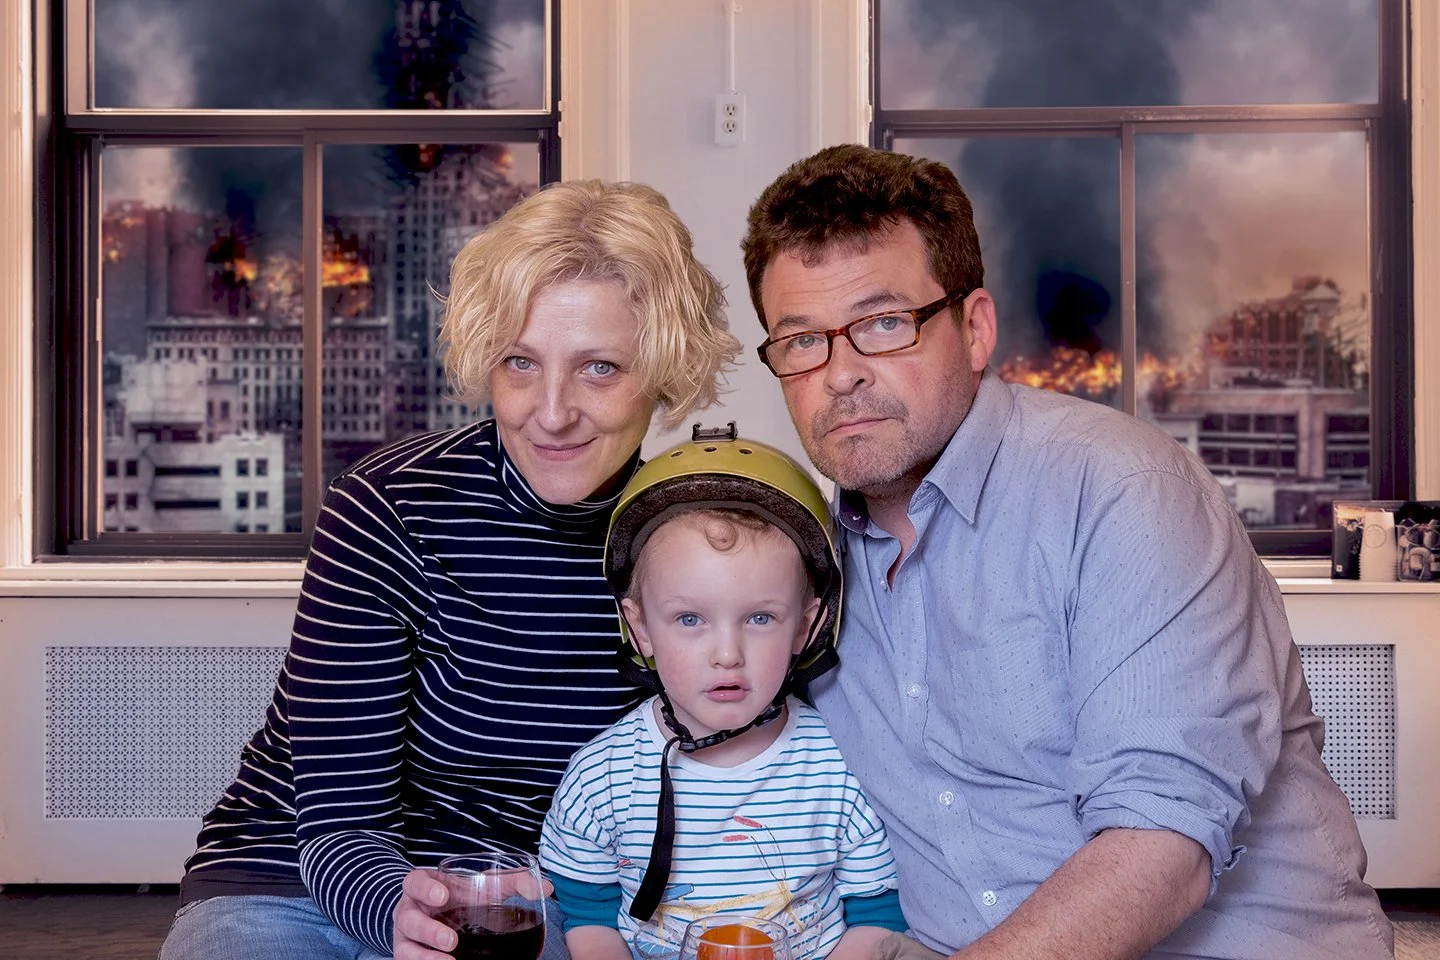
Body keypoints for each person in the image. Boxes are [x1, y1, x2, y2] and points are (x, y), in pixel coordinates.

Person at [739, 144, 1394, 960]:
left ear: (975, 329)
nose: (839, 375)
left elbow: (1164, 840)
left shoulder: (1122, 490)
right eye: (802, 341)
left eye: (882, 324)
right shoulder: (804, 564)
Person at [156, 179, 741, 960]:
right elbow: (337, 817)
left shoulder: (699, 542)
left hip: (538, 901)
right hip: (298, 881)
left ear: (663, 369)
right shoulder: (386, 507)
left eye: (599, 368)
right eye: (520, 363)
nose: (553, 410)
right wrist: (403, 913)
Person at [539, 430, 907, 959]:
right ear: (639, 628)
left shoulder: (844, 762)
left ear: (805, 628)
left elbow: (877, 914)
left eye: (760, 618)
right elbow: (588, 913)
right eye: (690, 619)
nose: (727, 654)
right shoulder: (603, 777)